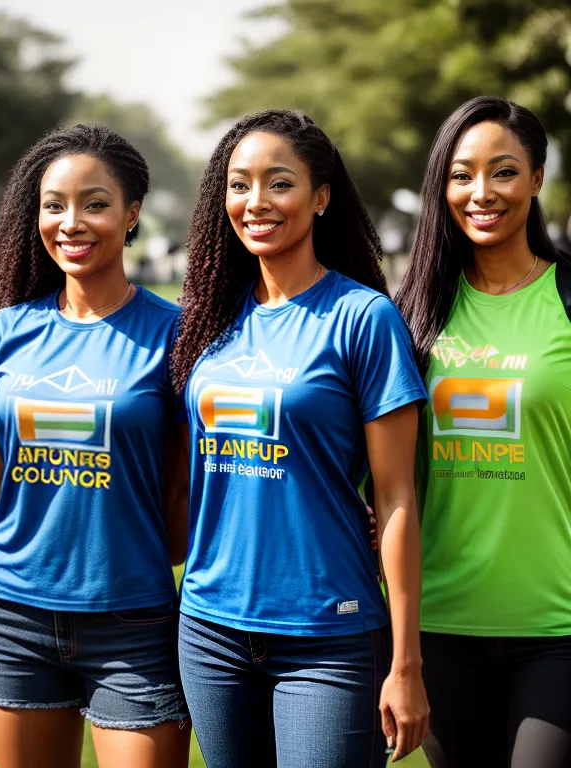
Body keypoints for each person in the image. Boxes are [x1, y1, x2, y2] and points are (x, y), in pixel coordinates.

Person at [0, 124, 192, 768]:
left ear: (132, 214)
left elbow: (185, 490)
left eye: (95, 204)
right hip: (10, 616)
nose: (71, 222)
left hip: (133, 622)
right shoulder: (9, 330)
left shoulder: (178, 334)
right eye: (54, 205)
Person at [170, 109, 430, 767]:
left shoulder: (363, 318)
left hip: (329, 633)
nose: (255, 201)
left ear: (320, 197)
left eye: (279, 183)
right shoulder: (207, 321)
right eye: (239, 185)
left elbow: (396, 498)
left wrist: (405, 663)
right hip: (210, 630)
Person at [395, 96, 571, 768]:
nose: (481, 192)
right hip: (437, 629)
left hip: (558, 629)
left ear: (537, 178)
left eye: (503, 171)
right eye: (462, 174)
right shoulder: (409, 316)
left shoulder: (567, 299)